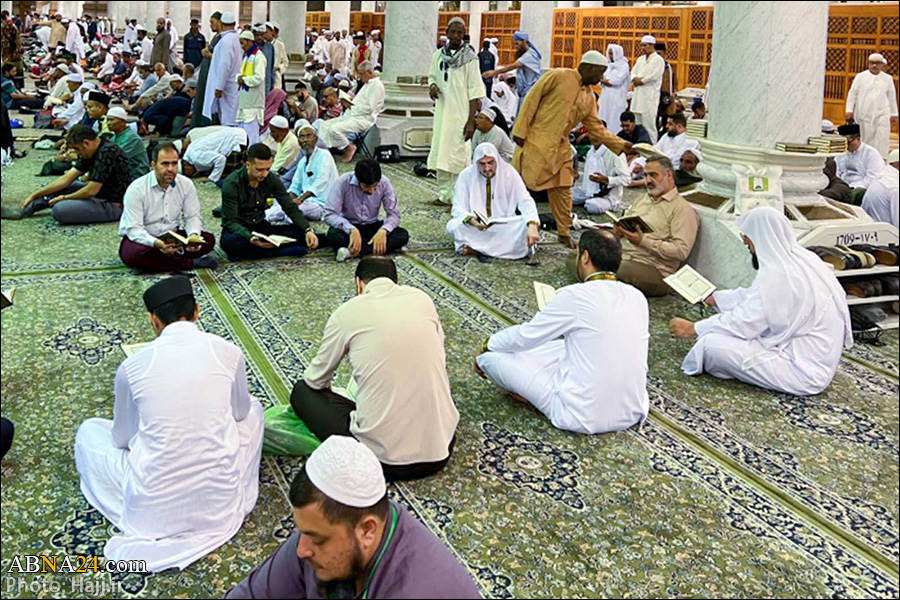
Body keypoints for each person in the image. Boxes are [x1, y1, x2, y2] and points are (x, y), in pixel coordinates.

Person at [74, 276, 265, 573]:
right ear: (197, 311)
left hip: (152, 512)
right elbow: (240, 413)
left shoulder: (132, 366)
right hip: (219, 505)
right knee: (255, 408)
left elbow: (122, 439)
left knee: (89, 431)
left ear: (153, 320)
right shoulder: (229, 351)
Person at [224, 436, 480, 598]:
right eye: (303, 532)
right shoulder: (329, 538)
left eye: (318, 539)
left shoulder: (416, 588)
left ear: (367, 530)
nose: (301, 550)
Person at [291, 257, 460, 480]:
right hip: (441, 449)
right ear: (397, 282)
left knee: (301, 391)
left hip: (379, 460)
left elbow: (316, 380)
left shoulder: (347, 312)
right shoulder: (422, 299)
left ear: (358, 284)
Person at [476, 229, 649, 435]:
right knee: (565, 345)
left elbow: (525, 336)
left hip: (578, 414)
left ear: (585, 257)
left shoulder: (575, 295)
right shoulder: (637, 297)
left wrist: (487, 344)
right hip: (631, 410)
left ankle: (532, 396)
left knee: (490, 359)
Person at [670, 206, 853, 396]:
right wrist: (715, 298)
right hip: (814, 359)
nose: (745, 242)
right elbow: (756, 296)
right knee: (725, 334)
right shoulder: (802, 260)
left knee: (709, 345)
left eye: (747, 237)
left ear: (760, 237)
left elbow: (744, 323)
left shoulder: (778, 275)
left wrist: (694, 329)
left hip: (801, 371)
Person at [512, 51, 629, 248]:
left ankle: (564, 231)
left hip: (561, 147)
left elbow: (596, 128)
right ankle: (507, 222)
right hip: (536, 141)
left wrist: (623, 145)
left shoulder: (589, 97)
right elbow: (531, 99)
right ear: (589, 67)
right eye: (600, 72)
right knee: (521, 185)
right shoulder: (559, 76)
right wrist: (520, 131)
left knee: (564, 187)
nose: (601, 78)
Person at [119, 143, 218, 272]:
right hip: (145, 240)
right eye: (165, 164)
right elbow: (134, 229)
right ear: (153, 165)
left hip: (172, 237)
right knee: (134, 254)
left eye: (174, 163)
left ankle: (162, 261)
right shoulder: (136, 189)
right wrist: (157, 244)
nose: (171, 169)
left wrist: (193, 236)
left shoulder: (186, 184)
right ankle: (190, 263)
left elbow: (192, 216)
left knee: (208, 240)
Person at [612, 155, 699, 297]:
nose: (648, 180)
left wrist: (642, 241)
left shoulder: (682, 209)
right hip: (624, 256)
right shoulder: (642, 200)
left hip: (655, 269)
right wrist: (619, 232)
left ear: (669, 175)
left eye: (653, 175)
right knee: (585, 253)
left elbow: (681, 251)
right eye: (646, 175)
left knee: (614, 269)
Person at [220, 142, 320, 260]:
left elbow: (289, 207)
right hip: (239, 230)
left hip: (261, 227)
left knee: (299, 232)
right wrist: (250, 237)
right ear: (248, 165)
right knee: (232, 243)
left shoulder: (271, 179)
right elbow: (231, 222)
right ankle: (282, 250)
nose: (264, 174)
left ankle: (268, 249)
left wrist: (307, 230)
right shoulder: (232, 183)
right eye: (259, 170)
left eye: (267, 169)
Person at [21, 124, 132, 224]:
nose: (77, 153)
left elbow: (90, 191)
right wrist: (35, 194)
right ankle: (27, 209)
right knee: (61, 187)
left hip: (113, 204)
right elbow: (65, 179)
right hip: (99, 194)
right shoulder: (93, 149)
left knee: (59, 210)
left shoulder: (107, 152)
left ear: (86, 143)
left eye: (77, 149)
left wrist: (64, 198)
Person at [448, 142, 540, 261]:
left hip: (505, 226)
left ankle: (478, 249)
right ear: (476, 163)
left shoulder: (509, 173)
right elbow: (457, 208)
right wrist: (473, 222)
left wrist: (532, 225)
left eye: (490, 163)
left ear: (497, 160)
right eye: (482, 164)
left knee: (524, 224)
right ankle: (501, 249)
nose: (487, 168)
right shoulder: (466, 175)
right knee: (453, 226)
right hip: (477, 228)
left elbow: (525, 200)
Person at [427, 18, 485, 206]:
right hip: (442, 115)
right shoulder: (438, 55)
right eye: (453, 32)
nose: (456, 36)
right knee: (441, 154)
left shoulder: (470, 59)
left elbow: (475, 92)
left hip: (461, 115)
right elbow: (432, 77)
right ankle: (445, 196)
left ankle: (459, 198)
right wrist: (432, 86)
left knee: (459, 157)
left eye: (460, 33)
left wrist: (471, 121)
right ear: (447, 33)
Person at [323, 159, 409, 262]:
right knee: (334, 236)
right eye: (367, 187)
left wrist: (383, 231)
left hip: (372, 225)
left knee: (402, 235)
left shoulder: (384, 183)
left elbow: (394, 214)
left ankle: (352, 251)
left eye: (375, 186)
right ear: (358, 180)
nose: (371, 191)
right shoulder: (343, 182)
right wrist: (351, 229)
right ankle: (382, 247)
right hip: (350, 225)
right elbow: (329, 214)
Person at [271, 119, 338, 223]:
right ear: (298, 141)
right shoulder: (302, 161)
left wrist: (300, 199)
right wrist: (289, 200)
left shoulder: (324, 155)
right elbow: (295, 185)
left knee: (291, 215)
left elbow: (321, 181)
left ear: (316, 139)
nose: (305, 140)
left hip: (321, 203)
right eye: (302, 137)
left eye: (309, 136)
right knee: (275, 209)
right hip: (305, 202)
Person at [318, 61, 384, 163]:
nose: (360, 77)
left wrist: (352, 107)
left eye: (361, 74)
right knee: (324, 125)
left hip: (363, 119)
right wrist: (349, 102)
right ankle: (324, 152)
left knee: (334, 129)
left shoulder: (376, 86)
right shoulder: (368, 84)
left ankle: (349, 147)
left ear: (369, 72)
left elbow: (369, 108)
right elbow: (360, 102)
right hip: (353, 115)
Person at [846, 52, 899, 159]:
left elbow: (891, 97)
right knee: (865, 139)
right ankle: (863, 159)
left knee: (881, 138)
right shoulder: (860, 77)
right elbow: (852, 94)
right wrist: (849, 109)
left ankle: (881, 160)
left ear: (882, 65)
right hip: (863, 114)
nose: (874, 66)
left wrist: (894, 114)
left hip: (882, 114)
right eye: (872, 63)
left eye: (877, 63)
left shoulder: (888, 78)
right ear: (868, 64)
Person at [483, 31, 543, 110]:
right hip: (524, 93)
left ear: (524, 41)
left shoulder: (530, 55)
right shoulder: (526, 55)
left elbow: (514, 66)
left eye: (517, 44)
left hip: (530, 92)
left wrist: (493, 73)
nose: (515, 47)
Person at [203, 12, 242, 127]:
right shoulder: (237, 39)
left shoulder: (226, 41)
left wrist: (219, 87)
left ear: (221, 24)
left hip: (227, 86)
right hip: (233, 83)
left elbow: (224, 66)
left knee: (228, 119)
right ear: (234, 24)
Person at [572, 139, 630, 214]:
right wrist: (578, 176)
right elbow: (590, 177)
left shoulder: (616, 153)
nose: (594, 137)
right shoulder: (591, 152)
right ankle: (588, 200)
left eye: (597, 135)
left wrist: (606, 179)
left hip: (608, 196)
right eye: (592, 134)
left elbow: (626, 179)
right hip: (588, 193)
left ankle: (611, 205)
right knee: (562, 195)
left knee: (592, 206)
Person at [181, 126, 248, 185]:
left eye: (186, 174)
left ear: (186, 167)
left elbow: (220, 159)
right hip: (236, 134)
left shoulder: (196, 158)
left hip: (236, 140)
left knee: (230, 175)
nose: (190, 175)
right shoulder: (189, 152)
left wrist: (211, 179)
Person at [630, 35, 665, 143]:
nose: (643, 48)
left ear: (652, 45)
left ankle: (652, 146)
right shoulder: (640, 59)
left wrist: (642, 81)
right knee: (637, 124)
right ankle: (639, 146)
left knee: (649, 125)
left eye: (645, 45)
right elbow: (633, 72)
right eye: (642, 45)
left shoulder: (658, 60)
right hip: (638, 96)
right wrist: (634, 78)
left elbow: (654, 76)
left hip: (649, 97)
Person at [235, 30, 267, 145]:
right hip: (244, 102)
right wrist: (239, 78)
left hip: (253, 103)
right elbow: (240, 74)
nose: (241, 46)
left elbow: (259, 78)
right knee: (242, 138)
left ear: (250, 42)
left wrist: (243, 79)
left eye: (243, 43)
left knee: (252, 137)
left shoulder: (259, 57)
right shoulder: (246, 57)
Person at [836, 122, 885, 195]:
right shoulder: (842, 152)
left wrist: (853, 187)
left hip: (860, 189)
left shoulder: (871, 154)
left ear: (858, 139)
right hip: (842, 187)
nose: (846, 146)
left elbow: (872, 178)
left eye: (848, 143)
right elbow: (837, 173)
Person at [105, 106, 150, 180]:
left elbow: (113, 157)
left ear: (123, 121)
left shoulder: (132, 138)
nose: (108, 123)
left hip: (136, 176)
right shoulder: (114, 138)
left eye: (111, 120)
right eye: (107, 120)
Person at [861, 149, 899, 228]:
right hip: (887, 233)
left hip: (873, 229)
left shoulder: (881, 178)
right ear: (897, 165)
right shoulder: (894, 187)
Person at [598, 43, 630, 131]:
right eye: (609, 53)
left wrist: (606, 81)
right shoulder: (608, 65)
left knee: (614, 118)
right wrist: (605, 81)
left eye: (612, 53)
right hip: (606, 96)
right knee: (604, 116)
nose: (610, 56)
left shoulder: (623, 65)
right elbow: (601, 78)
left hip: (617, 97)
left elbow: (616, 81)